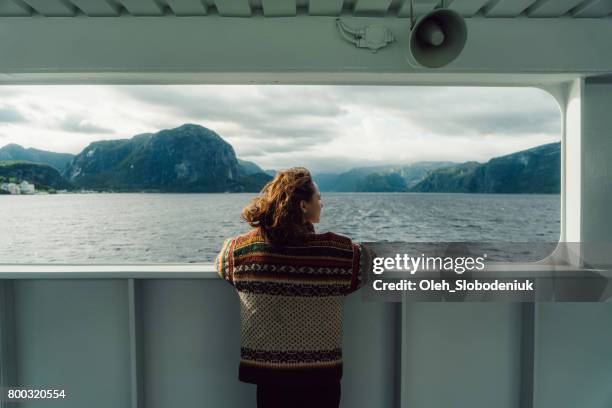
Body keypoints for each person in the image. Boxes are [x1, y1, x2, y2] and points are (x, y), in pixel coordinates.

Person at [214, 166, 369, 408]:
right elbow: (369, 266)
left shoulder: (240, 250)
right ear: (303, 206)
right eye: (318, 198)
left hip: (270, 376)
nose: (322, 203)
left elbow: (223, 263)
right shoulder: (339, 253)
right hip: (321, 376)